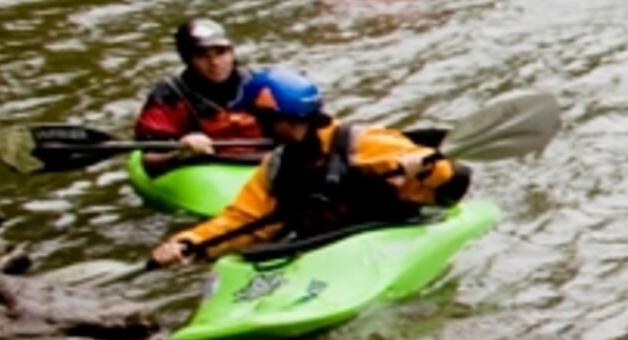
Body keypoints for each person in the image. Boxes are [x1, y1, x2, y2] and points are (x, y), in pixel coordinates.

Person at [148, 70, 470, 267]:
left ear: (284, 119)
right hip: (325, 252)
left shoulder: (364, 142)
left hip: (383, 239)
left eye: (262, 120)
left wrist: (425, 170)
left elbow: (451, 184)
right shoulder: (276, 165)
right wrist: (188, 243)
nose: (260, 128)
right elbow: (244, 220)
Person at [132, 18, 265, 170]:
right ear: (188, 59)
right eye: (202, 55)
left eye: (221, 53)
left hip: (261, 162)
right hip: (205, 168)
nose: (214, 62)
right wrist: (181, 153)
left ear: (232, 53)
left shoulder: (258, 84)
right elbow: (150, 159)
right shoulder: (169, 95)